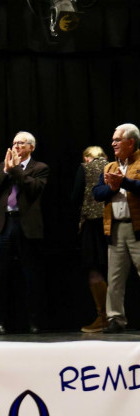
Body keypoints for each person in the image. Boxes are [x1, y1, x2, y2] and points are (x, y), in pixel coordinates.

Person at [0, 131, 49, 335]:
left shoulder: (40, 168)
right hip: (4, 224)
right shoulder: (4, 166)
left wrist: (15, 170)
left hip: (26, 226)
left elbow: (34, 189)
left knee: (30, 275)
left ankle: (34, 321)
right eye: (14, 143)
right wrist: (6, 171)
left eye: (21, 143)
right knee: (0, 276)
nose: (16, 147)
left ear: (31, 147)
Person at [93, 123, 140, 334]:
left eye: (117, 140)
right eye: (113, 140)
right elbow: (97, 193)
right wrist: (112, 187)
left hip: (137, 228)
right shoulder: (109, 167)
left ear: (131, 142)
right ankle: (115, 319)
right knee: (114, 278)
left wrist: (124, 182)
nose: (113, 143)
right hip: (115, 228)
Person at [71, 147, 109, 333]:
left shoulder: (85, 168)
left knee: (94, 269)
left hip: (92, 225)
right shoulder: (113, 166)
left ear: (87, 157)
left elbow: (76, 196)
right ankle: (117, 315)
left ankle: (103, 316)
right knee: (115, 271)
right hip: (112, 222)